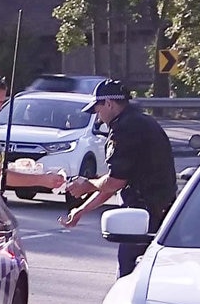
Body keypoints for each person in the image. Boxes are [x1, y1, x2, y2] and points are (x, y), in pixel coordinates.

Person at [61, 80, 177, 276]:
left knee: (129, 275)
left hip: (143, 215)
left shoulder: (125, 128)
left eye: (98, 110)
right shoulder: (140, 121)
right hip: (157, 211)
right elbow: (116, 182)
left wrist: (87, 185)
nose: (98, 117)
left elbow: (115, 182)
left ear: (109, 103)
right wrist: (81, 210)